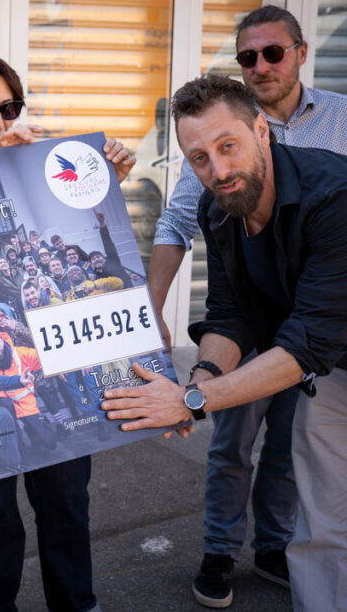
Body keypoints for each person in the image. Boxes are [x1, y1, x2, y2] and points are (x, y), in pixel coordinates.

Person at [103, 74, 347, 612]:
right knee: (325, 526)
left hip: (326, 345)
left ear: (262, 129)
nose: (218, 170)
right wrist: (201, 379)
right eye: (199, 158)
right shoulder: (220, 211)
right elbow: (232, 316)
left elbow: (309, 341)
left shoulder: (335, 196)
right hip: (331, 369)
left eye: (227, 146)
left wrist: (192, 400)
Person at [0, 49, 137, 612]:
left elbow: (93, 217)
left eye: (9, 107)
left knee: (67, 502)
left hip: (48, 359)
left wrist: (108, 174)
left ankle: (76, 603)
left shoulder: (41, 163)